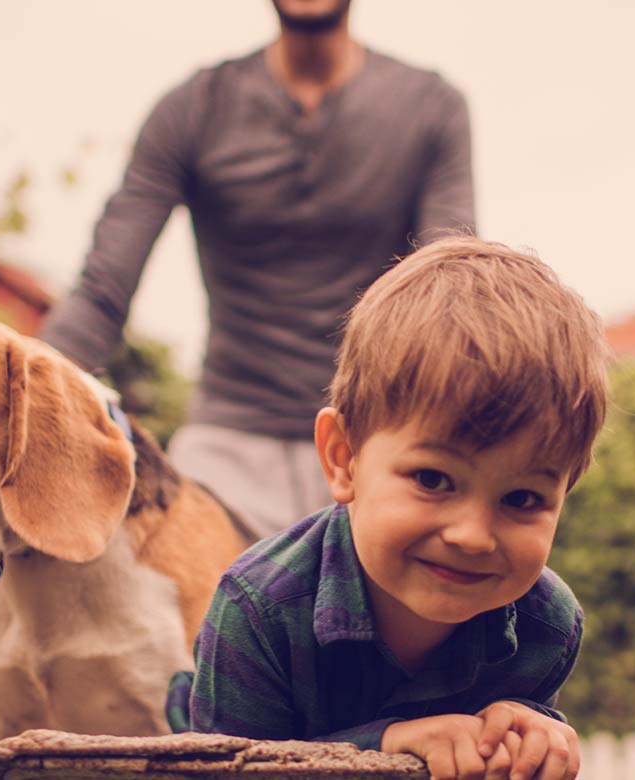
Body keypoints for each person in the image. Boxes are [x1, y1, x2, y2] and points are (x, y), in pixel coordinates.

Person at [166, 236, 608, 780]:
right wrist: (386, 747)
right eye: (433, 479)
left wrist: (530, 729)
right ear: (343, 458)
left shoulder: (547, 625)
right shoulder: (258, 611)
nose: (473, 535)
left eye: (522, 499)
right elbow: (230, 770)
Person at [40, 0, 475, 541]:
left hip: (374, 441)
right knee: (198, 609)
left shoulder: (430, 108)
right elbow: (103, 290)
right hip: (226, 451)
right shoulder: (192, 110)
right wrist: (27, 396)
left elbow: (449, 288)